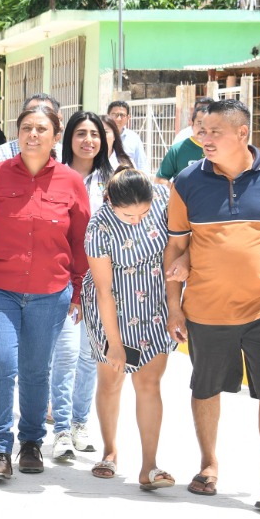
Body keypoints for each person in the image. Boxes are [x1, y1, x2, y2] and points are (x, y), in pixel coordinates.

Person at [163, 98, 260, 517]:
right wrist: (174, 308)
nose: (204, 139)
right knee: (206, 387)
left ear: (242, 133)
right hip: (206, 307)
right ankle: (209, 465)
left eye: (214, 131)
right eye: (201, 131)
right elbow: (176, 246)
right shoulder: (186, 182)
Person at [0, 101, 90, 481]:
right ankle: (0, 449)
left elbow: (80, 242)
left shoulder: (71, 182)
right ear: (17, 134)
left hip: (49, 292)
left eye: (41, 129)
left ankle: (33, 442)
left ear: (56, 137)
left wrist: (77, 292)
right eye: (26, 128)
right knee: (1, 364)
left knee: (37, 371)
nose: (32, 135)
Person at [83, 168, 179, 489]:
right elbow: (103, 291)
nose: (137, 220)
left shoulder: (164, 199)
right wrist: (114, 343)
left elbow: (184, 241)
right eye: (128, 215)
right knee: (111, 381)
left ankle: (149, 467)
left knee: (149, 384)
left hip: (154, 304)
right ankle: (110, 451)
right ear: (110, 202)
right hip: (113, 308)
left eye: (144, 213)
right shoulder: (98, 228)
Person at [48, 111, 119, 459]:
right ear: (69, 139)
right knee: (65, 354)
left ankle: (79, 424)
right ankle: (60, 429)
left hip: (103, 282)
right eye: (81, 133)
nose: (88, 140)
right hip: (62, 278)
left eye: (95, 134)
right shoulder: (54, 176)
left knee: (91, 357)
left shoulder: (114, 179)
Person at [0, 92, 60, 170]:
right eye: (32, 111)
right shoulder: (0, 156)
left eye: (45, 111)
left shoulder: (63, 156)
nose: (37, 115)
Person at [156, 98, 210, 181]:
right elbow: (161, 178)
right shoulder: (177, 150)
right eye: (199, 123)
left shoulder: (222, 149)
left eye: (207, 123)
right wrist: (176, 192)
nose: (203, 128)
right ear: (192, 124)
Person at [106, 100, 147, 172]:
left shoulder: (134, 138)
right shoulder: (100, 136)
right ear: (108, 116)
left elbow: (141, 165)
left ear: (128, 118)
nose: (118, 119)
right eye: (114, 114)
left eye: (122, 115)